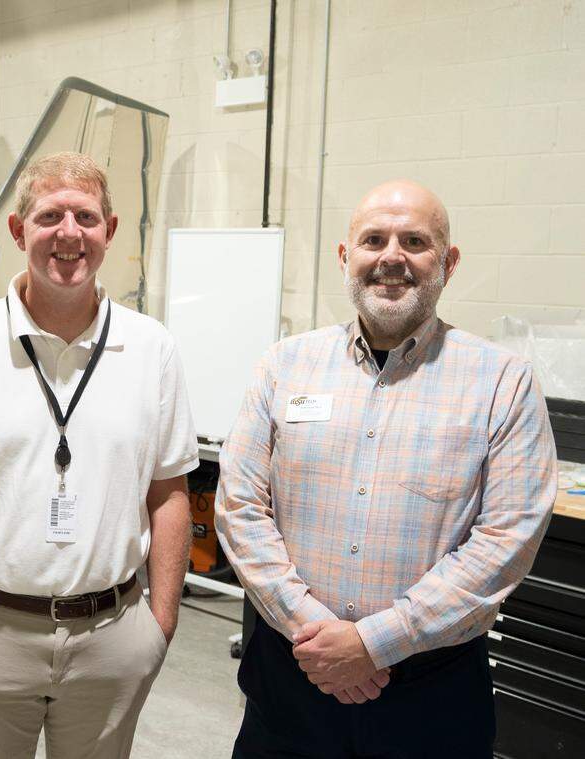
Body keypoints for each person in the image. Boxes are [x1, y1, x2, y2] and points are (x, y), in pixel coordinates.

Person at [215, 179, 557, 758]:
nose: (391, 256)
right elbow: (240, 507)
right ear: (346, 258)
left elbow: (506, 538)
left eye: (415, 241)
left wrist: (374, 644)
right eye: (373, 239)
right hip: (292, 677)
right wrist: (316, 636)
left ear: (447, 263)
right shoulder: (284, 365)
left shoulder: (502, 380)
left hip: (431, 693)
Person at [0, 151, 198, 758]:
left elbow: (169, 495)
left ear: (109, 232)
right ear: (19, 232)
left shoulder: (152, 349)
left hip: (113, 636)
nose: (70, 234)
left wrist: (158, 627)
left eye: (87, 217)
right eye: (50, 216)